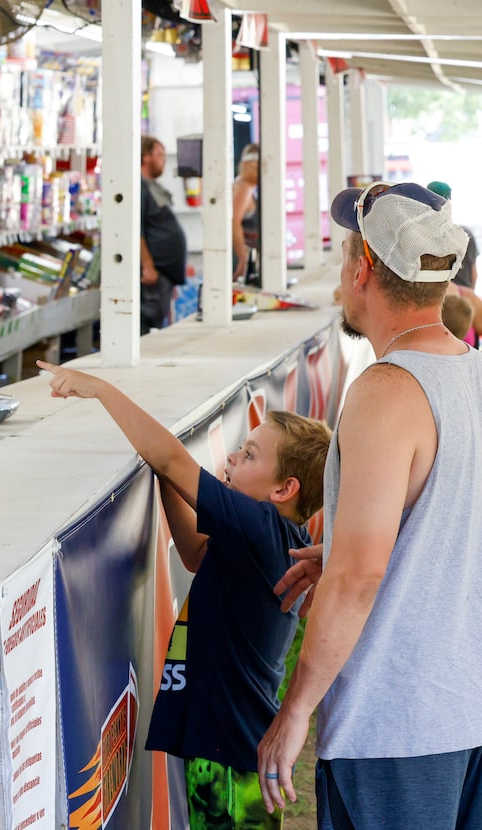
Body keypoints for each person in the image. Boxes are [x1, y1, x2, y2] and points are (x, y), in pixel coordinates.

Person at [258, 181, 482, 828]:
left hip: (400, 721)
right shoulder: (470, 372)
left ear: (364, 269)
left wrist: (296, 709)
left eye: (342, 255)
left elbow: (359, 578)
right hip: (463, 707)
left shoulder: (387, 388)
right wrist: (357, 540)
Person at [37, 358, 331, 829]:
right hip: (227, 746)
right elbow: (194, 553)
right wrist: (163, 475)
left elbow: (176, 459)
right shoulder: (268, 539)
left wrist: (102, 390)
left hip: (230, 756)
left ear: (284, 489)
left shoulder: (262, 530)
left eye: (250, 455)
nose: (232, 459)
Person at [140, 136, 187, 335]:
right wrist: (148, 265)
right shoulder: (139, 187)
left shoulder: (152, 186)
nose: (164, 160)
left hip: (164, 275)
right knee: (146, 324)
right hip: (153, 273)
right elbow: (136, 229)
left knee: (156, 324)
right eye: (159, 154)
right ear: (145, 156)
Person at [426, 180, 478, 289]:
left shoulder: (422, 235)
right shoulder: (465, 234)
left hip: (437, 296)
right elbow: (474, 275)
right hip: (463, 296)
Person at [233, 143, 260, 282]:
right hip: (239, 261)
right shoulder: (244, 188)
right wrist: (242, 258)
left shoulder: (244, 186)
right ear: (249, 165)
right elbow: (234, 222)